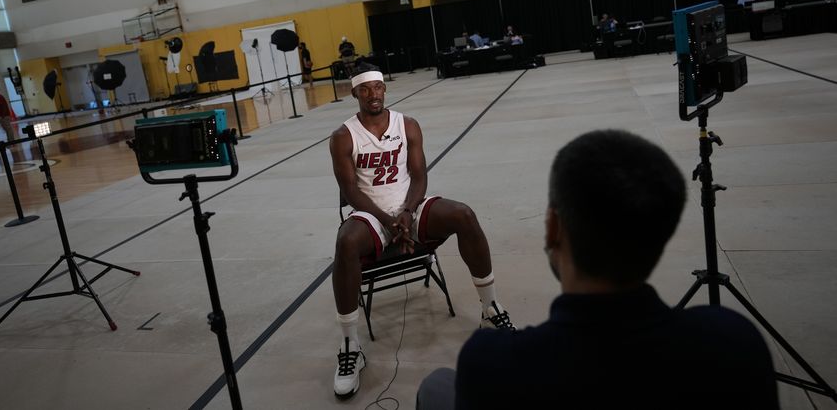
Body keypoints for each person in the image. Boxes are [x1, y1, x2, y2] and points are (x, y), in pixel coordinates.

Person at [417, 130, 778, 409]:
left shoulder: (492, 362)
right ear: (661, 233)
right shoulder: (734, 344)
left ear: (553, 229)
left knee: (435, 385)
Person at [330, 70, 515, 399]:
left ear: (384, 89)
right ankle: (350, 346)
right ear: (355, 94)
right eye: (365, 90)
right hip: (371, 215)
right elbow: (349, 190)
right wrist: (387, 221)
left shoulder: (407, 124)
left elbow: (418, 175)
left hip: (409, 208)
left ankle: (491, 309)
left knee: (464, 215)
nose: (373, 94)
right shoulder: (344, 136)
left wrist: (407, 212)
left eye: (377, 87)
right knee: (345, 242)